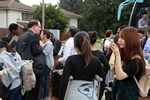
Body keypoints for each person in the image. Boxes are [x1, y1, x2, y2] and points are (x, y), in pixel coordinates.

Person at [59, 31, 105, 100]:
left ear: (75, 47)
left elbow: (64, 82)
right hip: (90, 95)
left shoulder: (71, 60)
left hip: (73, 95)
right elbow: (102, 80)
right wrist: (99, 96)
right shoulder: (96, 61)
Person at [110, 27, 146, 100]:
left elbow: (120, 76)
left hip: (128, 95)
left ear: (131, 40)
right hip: (122, 93)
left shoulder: (136, 61)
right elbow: (119, 74)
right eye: (119, 37)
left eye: (122, 38)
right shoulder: (129, 57)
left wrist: (117, 55)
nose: (119, 40)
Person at [17, 20, 43, 100]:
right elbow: (36, 51)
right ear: (34, 27)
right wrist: (41, 46)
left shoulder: (22, 36)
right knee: (34, 92)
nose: (40, 29)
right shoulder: (34, 35)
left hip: (22, 66)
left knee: (25, 92)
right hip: (32, 68)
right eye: (39, 27)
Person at [88, 31, 109, 99]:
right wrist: (99, 71)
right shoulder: (100, 53)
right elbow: (107, 66)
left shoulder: (84, 53)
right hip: (97, 81)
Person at [40, 29, 54, 100]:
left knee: (45, 82)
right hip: (47, 65)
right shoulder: (47, 43)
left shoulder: (48, 44)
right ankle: (46, 96)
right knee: (45, 81)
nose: (40, 35)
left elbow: (44, 54)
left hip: (47, 65)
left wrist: (41, 47)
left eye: (41, 33)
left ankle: (45, 97)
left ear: (45, 35)